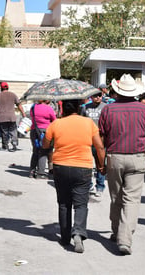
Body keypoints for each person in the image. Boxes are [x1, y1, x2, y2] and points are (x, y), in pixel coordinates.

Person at [99, 74, 145, 255]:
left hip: (114, 157)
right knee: (131, 199)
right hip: (137, 157)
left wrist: (100, 161)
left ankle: (117, 231)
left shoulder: (108, 110)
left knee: (116, 197)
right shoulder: (144, 110)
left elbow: (101, 138)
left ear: (117, 91)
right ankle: (124, 239)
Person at [43, 99, 105, 253]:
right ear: (79, 107)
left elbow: (45, 145)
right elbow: (99, 146)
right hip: (82, 167)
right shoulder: (89, 123)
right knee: (81, 204)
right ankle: (78, 233)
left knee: (64, 203)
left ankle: (64, 237)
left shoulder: (56, 124)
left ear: (63, 108)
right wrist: (102, 165)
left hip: (60, 167)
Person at [81, 91, 106, 198]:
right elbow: (81, 122)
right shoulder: (85, 107)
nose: (98, 98)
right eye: (95, 96)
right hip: (87, 139)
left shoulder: (105, 107)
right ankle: (89, 185)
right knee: (88, 164)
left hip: (100, 139)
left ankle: (100, 186)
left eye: (100, 96)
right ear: (91, 97)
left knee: (100, 163)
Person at [0, 82, 26, 152]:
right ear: (8, 87)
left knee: (4, 132)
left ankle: (5, 146)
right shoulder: (13, 95)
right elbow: (19, 105)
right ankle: (14, 144)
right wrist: (23, 113)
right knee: (13, 131)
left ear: (1, 88)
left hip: (2, 117)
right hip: (11, 116)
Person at [29, 100, 56, 179]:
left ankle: (32, 171)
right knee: (44, 151)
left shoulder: (33, 107)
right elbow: (54, 120)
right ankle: (41, 173)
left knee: (35, 151)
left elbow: (32, 116)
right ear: (46, 99)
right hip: (45, 131)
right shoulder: (49, 108)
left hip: (34, 130)